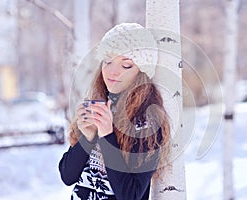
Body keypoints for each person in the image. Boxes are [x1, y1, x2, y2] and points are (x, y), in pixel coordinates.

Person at [59, 23, 171, 200]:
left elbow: (131, 195)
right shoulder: (99, 104)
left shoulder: (147, 120)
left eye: (126, 66)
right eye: (107, 61)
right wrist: (86, 139)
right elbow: (67, 176)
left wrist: (107, 135)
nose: (112, 72)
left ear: (142, 72)